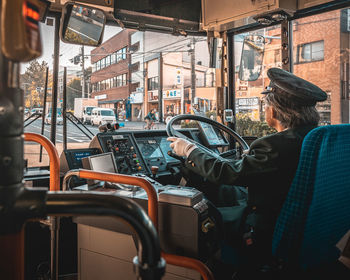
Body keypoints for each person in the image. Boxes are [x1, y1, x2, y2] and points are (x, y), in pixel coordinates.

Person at [167, 68, 328, 266]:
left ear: (275, 111)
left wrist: (190, 150)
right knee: (224, 191)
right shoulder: (319, 138)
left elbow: (226, 173)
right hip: (305, 219)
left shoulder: (275, 146)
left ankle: (209, 267)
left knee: (198, 215)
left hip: (265, 225)